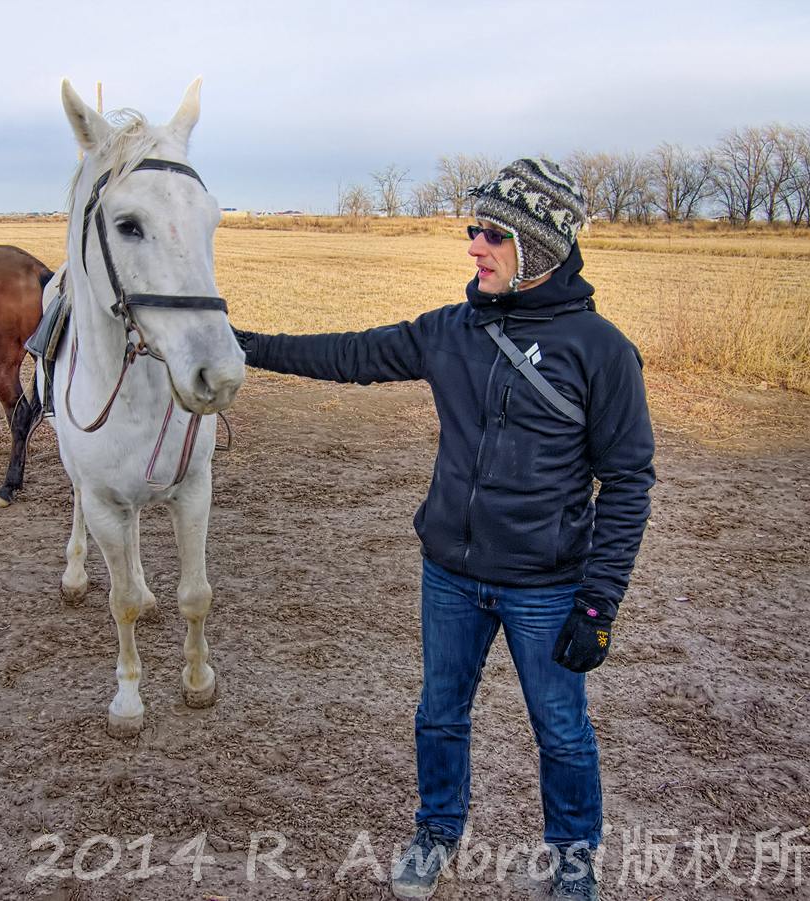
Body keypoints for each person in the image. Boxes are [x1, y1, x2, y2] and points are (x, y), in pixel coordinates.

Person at [232, 159, 655, 901]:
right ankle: (436, 831)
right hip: (451, 574)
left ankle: (574, 857)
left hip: (547, 584)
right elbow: (352, 354)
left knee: (560, 728)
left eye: (492, 234)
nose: (474, 247)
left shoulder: (603, 351)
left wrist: (599, 604)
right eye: (474, 230)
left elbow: (628, 481)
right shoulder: (450, 331)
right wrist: (249, 345)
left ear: (538, 251)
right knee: (438, 713)